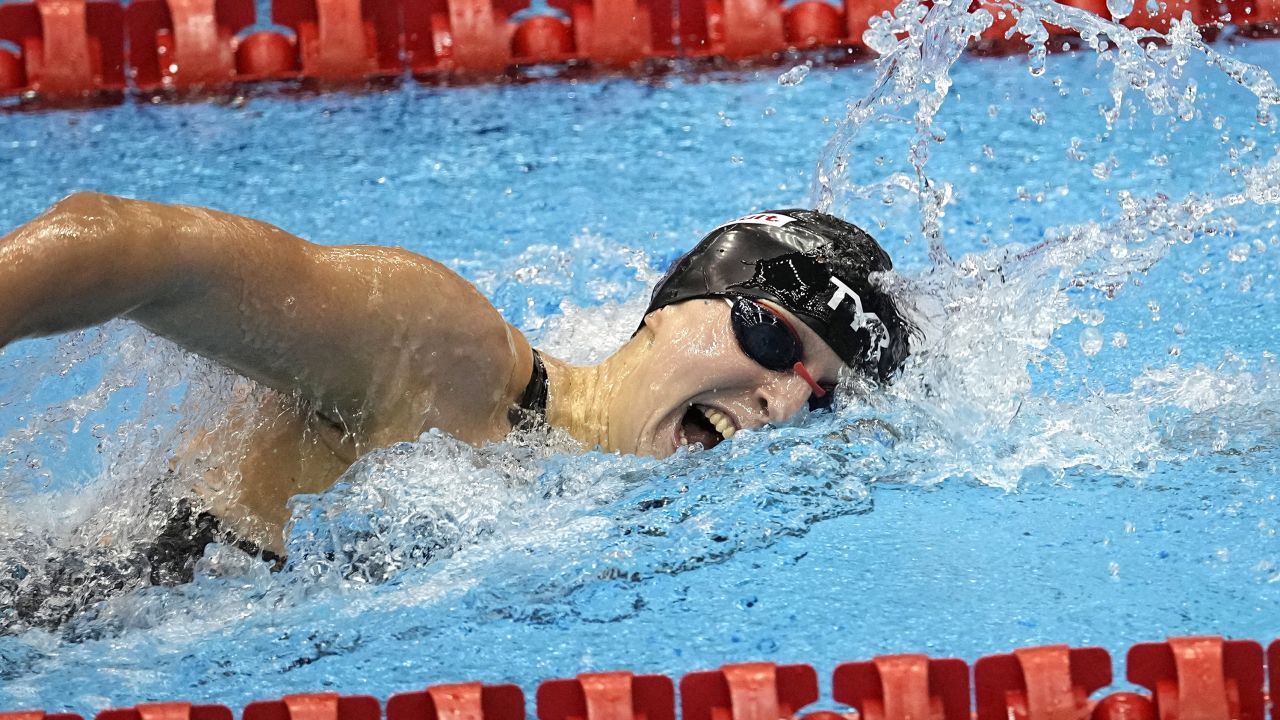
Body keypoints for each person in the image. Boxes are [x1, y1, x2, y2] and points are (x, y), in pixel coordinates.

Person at [0, 193, 913, 609]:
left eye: (820, 398)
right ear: (674, 300)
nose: (779, 405)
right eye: (768, 338)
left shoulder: (603, 528)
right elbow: (137, 247)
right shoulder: (446, 353)